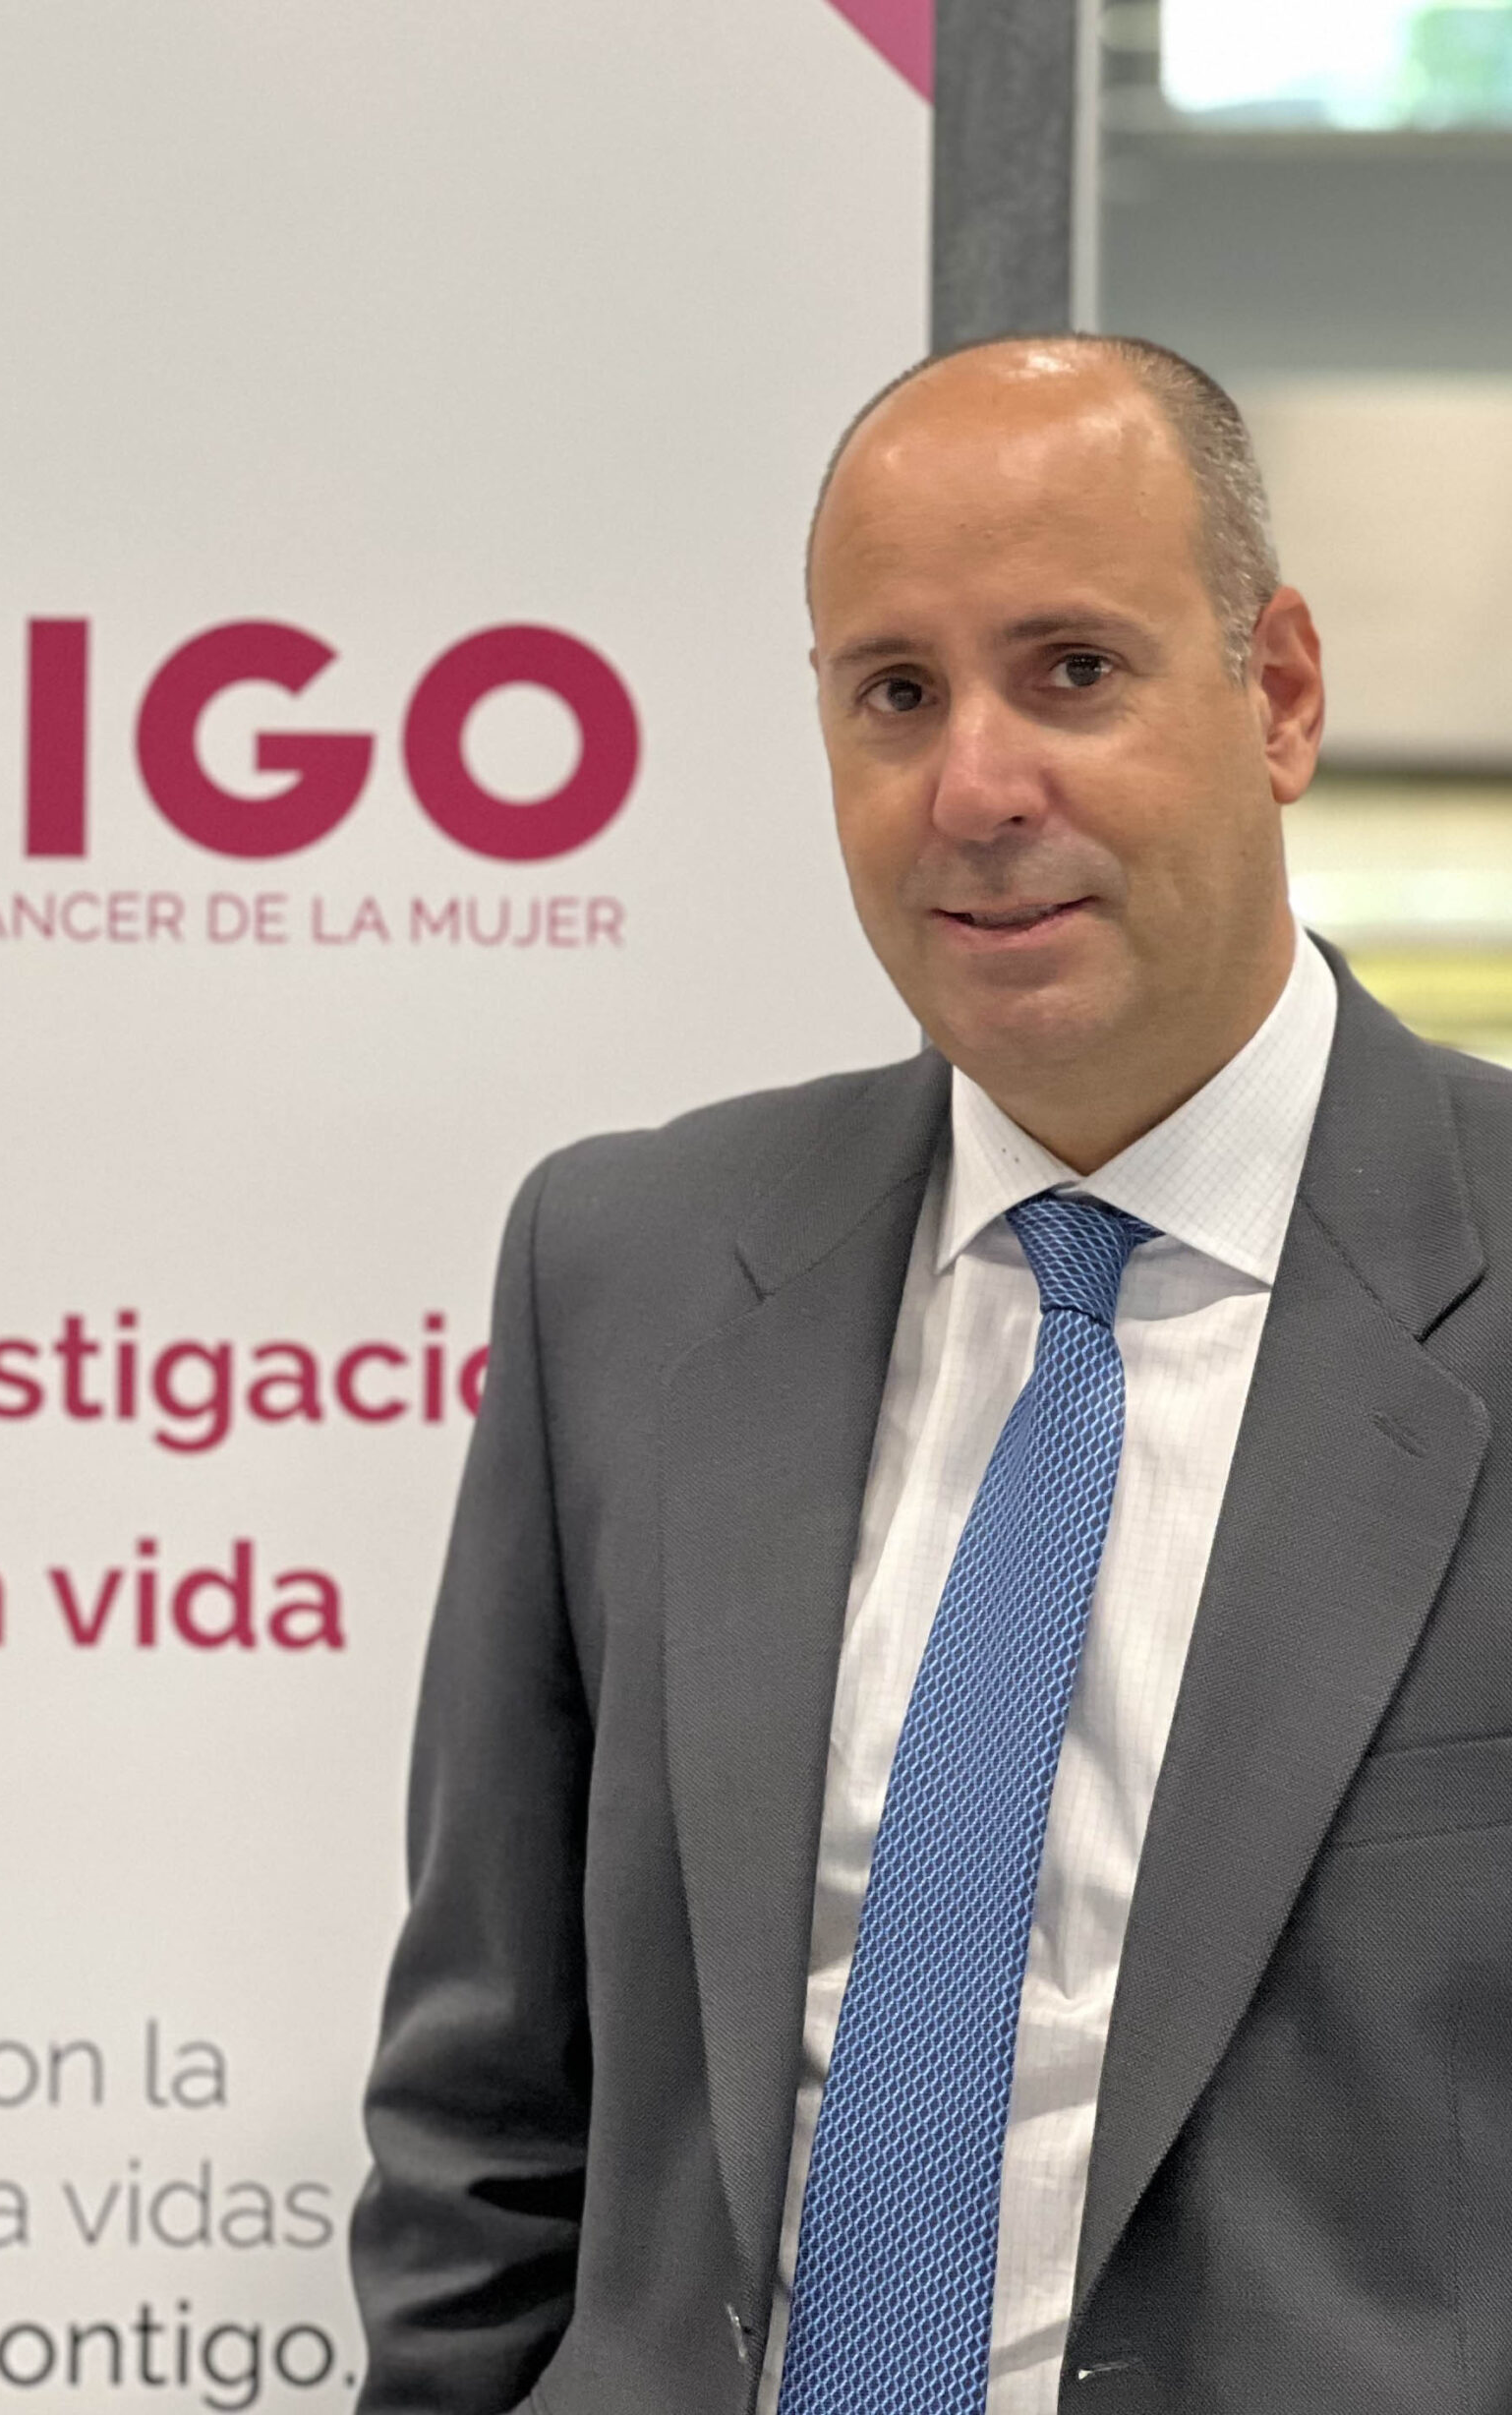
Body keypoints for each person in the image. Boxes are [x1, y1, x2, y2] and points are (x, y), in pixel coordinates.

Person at [349, 333, 1512, 2415]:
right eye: (895, 693)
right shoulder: (627, 1276)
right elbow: (487, 2111)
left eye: (1071, 670)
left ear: (1275, 695)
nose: (976, 789)